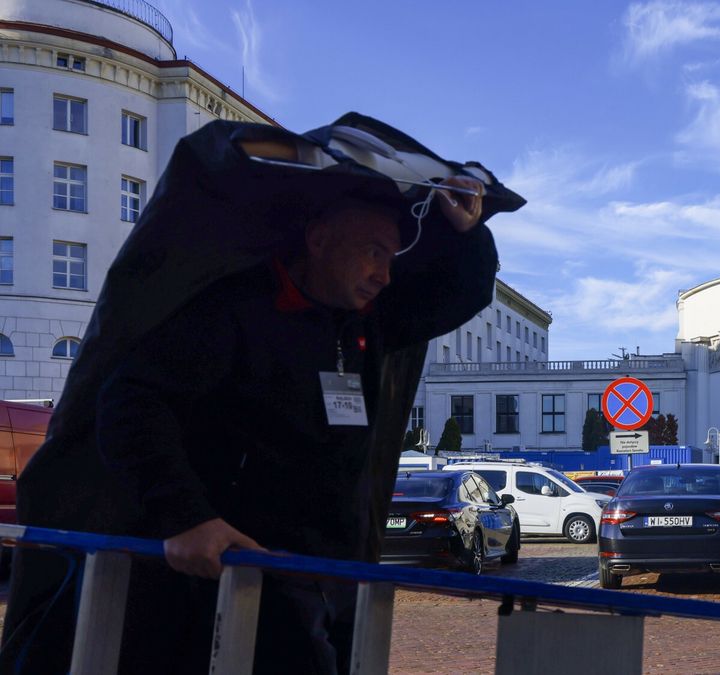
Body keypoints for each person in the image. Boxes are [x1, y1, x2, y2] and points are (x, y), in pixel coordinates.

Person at [0, 116, 514, 674]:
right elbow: (130, 403)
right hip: (225, 576)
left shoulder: (365, 324)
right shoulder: (230, 312)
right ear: (319, 240)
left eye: (391, 258)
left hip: (323, 575)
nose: (384, 275)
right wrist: (185, 517)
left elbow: (457, 296)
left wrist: (467, 232)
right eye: (373, 252)